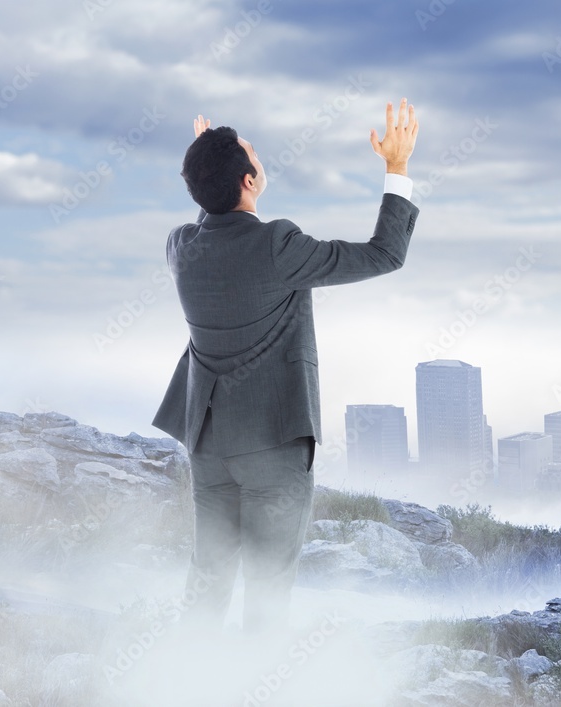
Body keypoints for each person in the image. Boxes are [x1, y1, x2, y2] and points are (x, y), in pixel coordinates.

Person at [151, 99, 419, 635]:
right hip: (271, 447)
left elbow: (214, 222)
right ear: (250, 181)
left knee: (207, 583)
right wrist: (397, 169)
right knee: (268, 594)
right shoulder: (278, 246)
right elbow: (385, 254)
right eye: (251, 153)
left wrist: (207, 167)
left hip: (207, 445)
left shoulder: (181, 247)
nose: (256, 155)